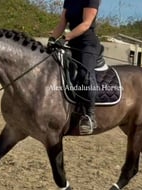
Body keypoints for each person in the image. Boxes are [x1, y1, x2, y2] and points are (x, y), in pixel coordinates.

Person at [48, 0, 101, 135]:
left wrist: (65, 38)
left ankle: (89, 115)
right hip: (72, 42)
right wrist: (52, 39)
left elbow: (86, 24)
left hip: (87, 44)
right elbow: (62, 23)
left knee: (85, 75)